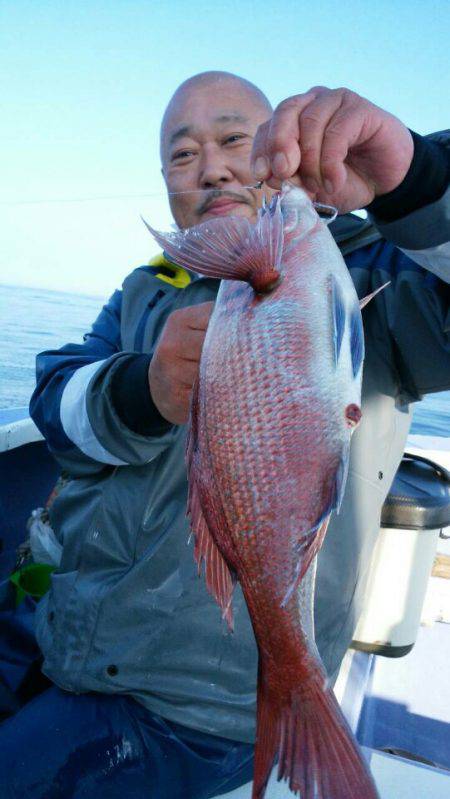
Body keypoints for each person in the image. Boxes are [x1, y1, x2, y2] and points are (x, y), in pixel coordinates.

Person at [1, 71, 449, 798]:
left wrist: (420, 180)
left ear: (282, 149)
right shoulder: (149, 289)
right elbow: (54, 399)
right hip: (70, 629)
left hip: (184, 706)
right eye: (182, 157)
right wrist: (141, 389)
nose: (211, 167)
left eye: (235, 139)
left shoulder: (373, 272)